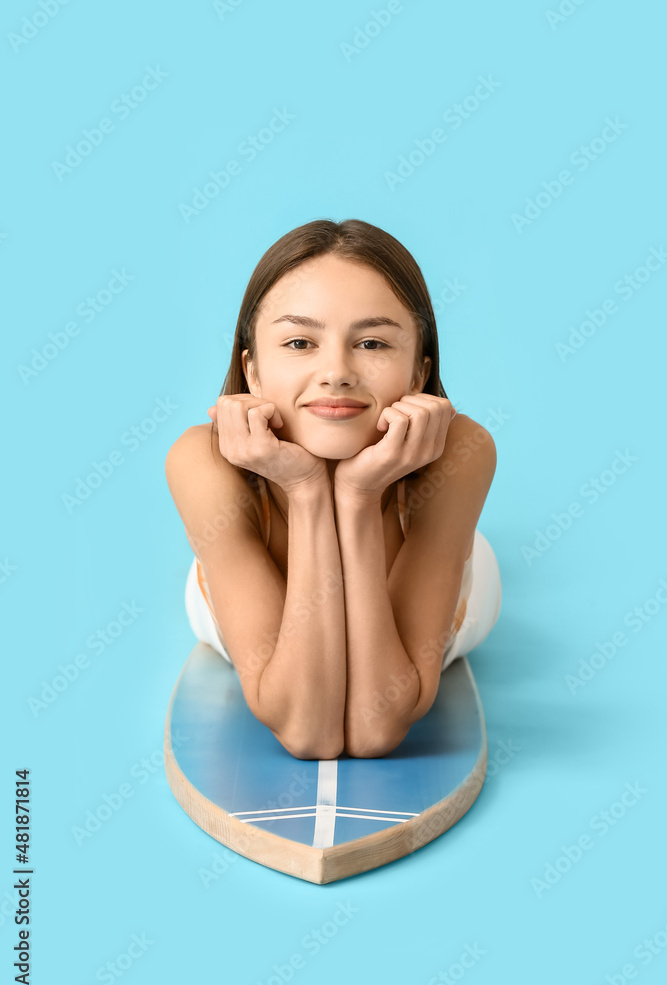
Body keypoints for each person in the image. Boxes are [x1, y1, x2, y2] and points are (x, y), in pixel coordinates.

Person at [165, 219, 501, 762]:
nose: (336, 373)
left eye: (371, 342)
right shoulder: (200, 461)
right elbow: (309, 731)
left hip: (456, 586)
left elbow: (374, 729)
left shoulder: (462, 451)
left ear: (419, 372)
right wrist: (305, 489)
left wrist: (360, 498)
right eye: (300, 342)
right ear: (251, 371)